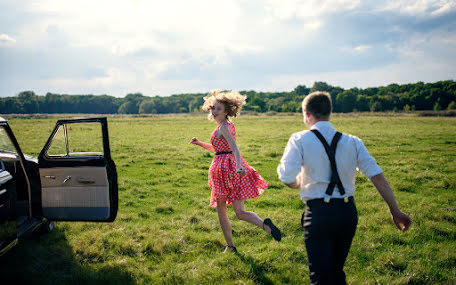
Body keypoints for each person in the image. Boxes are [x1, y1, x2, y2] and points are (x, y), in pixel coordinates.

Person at [277, 91, 412, 284]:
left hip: (318, 213)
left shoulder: (299, 139)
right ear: (329, 112)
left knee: (320, 277)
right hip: (347, 213)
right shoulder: (353, 141)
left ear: (307, 114)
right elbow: (378, 177)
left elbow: (286, 176)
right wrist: (395, 211)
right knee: (336, 271)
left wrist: (299, 182)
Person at [189, 90, 281, 252]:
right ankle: (266, 226)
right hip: (229, 165)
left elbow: (234, 149)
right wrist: (200, 144)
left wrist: (238, 166)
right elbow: (219, 148)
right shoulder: (227, 126)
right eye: (213, 108)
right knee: (240, 212)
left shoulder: (223, 127)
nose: (214, 112)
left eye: (218, 109)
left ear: (226, 111)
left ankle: (230, 246)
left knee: (221, 209)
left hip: (224, 169)